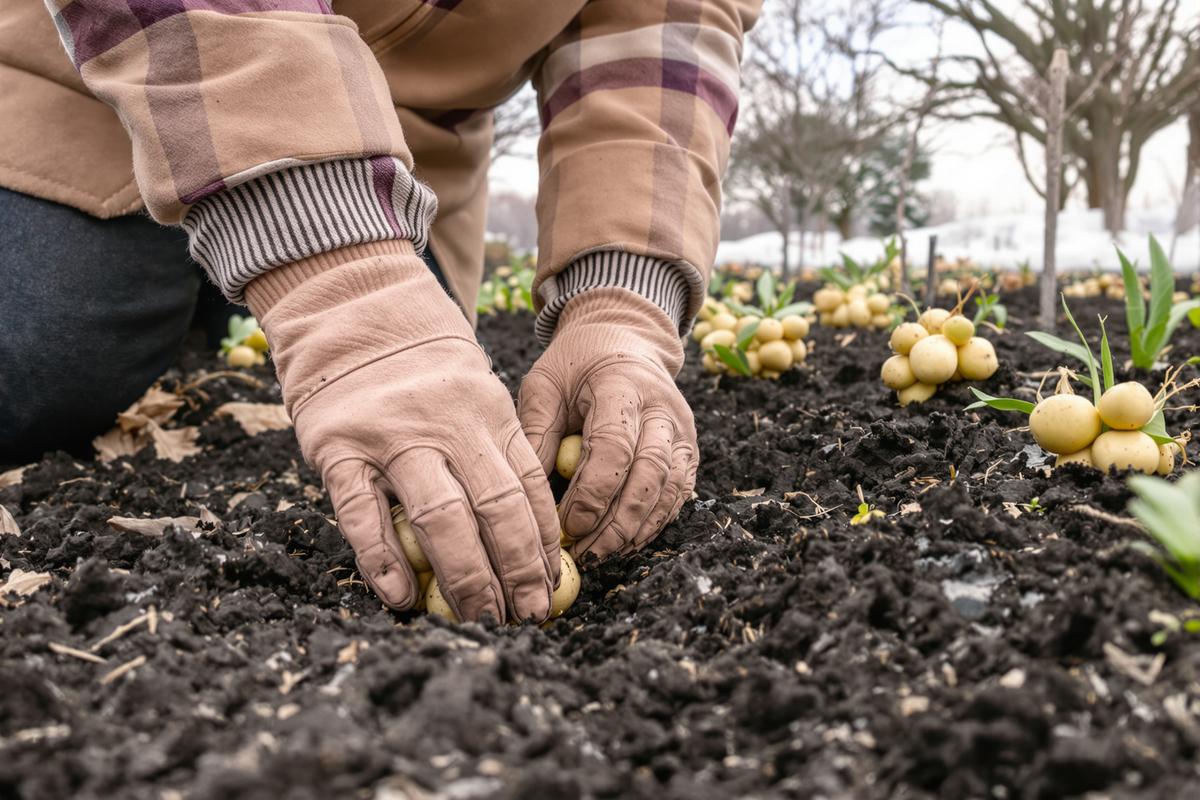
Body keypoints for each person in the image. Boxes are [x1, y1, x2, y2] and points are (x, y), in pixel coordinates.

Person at [0, 0, 760, 623]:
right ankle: (222, 260)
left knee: (435, 426)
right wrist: (340, 281)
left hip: (400, 158)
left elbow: (666, 28)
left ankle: (223, 290)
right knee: (44, 358)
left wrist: (622, 299)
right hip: (95, 75)